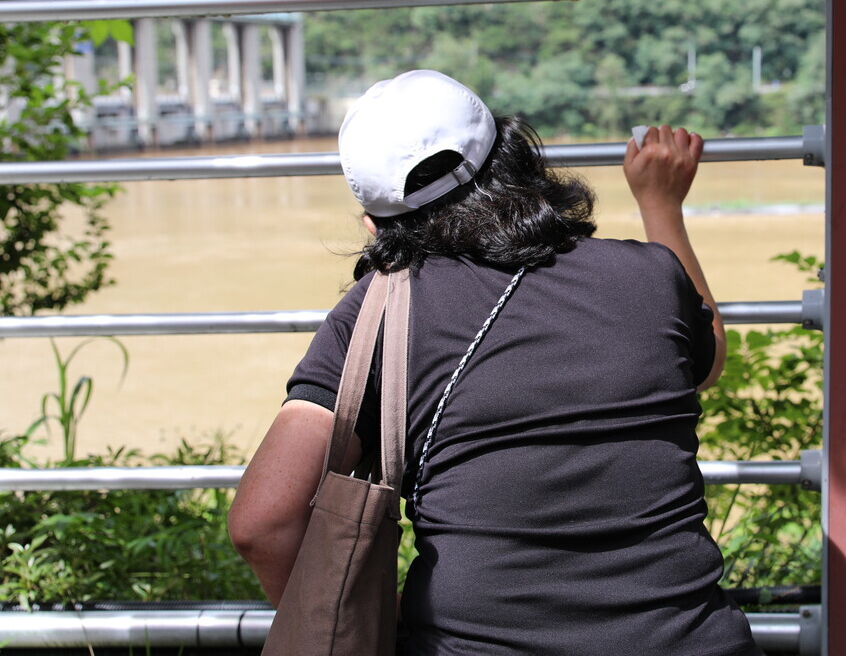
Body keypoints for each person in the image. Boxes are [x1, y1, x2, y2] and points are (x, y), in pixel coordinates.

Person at [228, 70, 763, 656]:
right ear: (515, 158)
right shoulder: (648, 276)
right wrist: (661, 205)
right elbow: (705, 361)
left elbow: (263, 522)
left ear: (374, 225)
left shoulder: (379, 314)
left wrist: (364, 619)